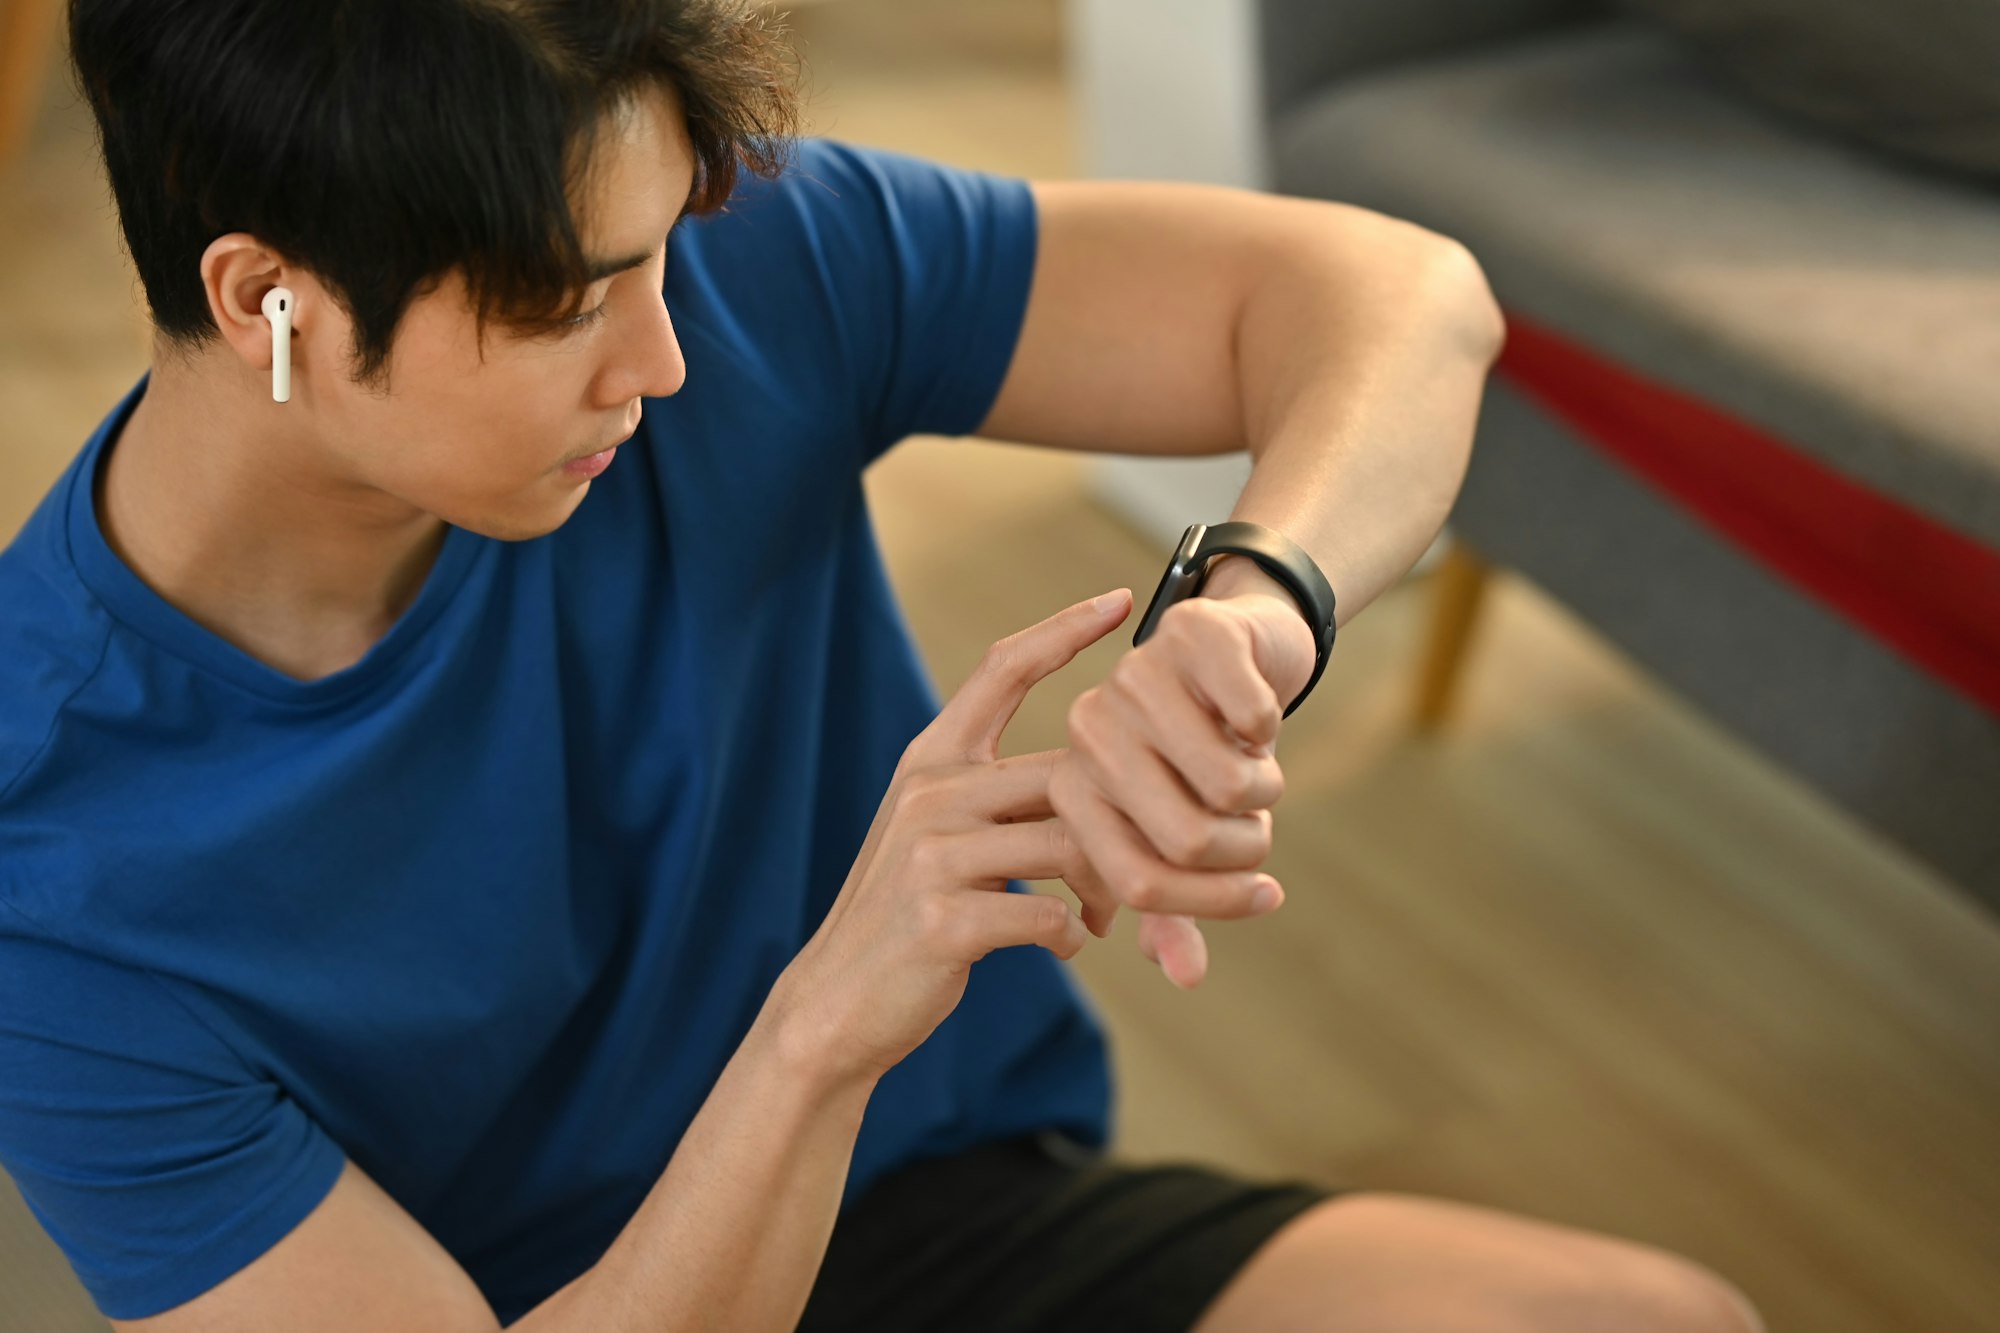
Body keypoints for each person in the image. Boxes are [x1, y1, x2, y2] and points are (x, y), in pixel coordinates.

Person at [0, 1, 1764, 1329]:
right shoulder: (49, 881)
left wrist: (1252, 610)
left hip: (926, 1220)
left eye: (669, 248)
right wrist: (829, 1023)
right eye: (571, 302)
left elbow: (1405, 299)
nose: (671, 357)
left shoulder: (735, 277)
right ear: (266, 303)